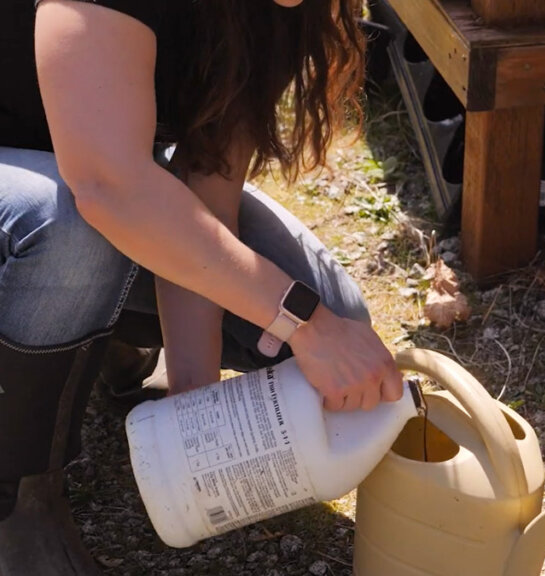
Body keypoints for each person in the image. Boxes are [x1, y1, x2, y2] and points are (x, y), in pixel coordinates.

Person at [0, 0, 404, 573]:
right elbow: (106, 185)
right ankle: (16, 502)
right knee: (74, 227)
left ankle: (102, 341)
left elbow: (208, 186)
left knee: (341, 320)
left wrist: (195, 405)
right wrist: (307, 323)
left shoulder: (283, 9)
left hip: (92, 175)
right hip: (54, 195)